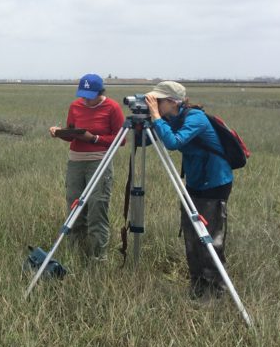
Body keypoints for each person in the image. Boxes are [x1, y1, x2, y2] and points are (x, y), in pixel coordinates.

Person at [144, 81, 233, 300]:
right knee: (191, 234)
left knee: (209, 236)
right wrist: (147, 120)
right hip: (195, 182)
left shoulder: (196, 118)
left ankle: (215, 291)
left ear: (172, 102)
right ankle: (197, 285)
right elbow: (146, 141)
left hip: (214, 183)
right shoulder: (172, 118)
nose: (154, 104)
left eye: (158, 101)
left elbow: (174, 142)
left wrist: (155, 117)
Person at [49, 73, 125, 263]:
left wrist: (94, 139)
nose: (86, 100)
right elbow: (71, 133)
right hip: (75, 162)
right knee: (74, 205)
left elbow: (121, 139)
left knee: (97, 207)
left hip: (99, 162)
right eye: (83, 95)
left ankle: (98, 257)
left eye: (89, 96)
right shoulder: (75, 106)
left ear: (100, 92)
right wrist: (59, 133)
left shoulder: (112, 108)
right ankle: (74, 253)